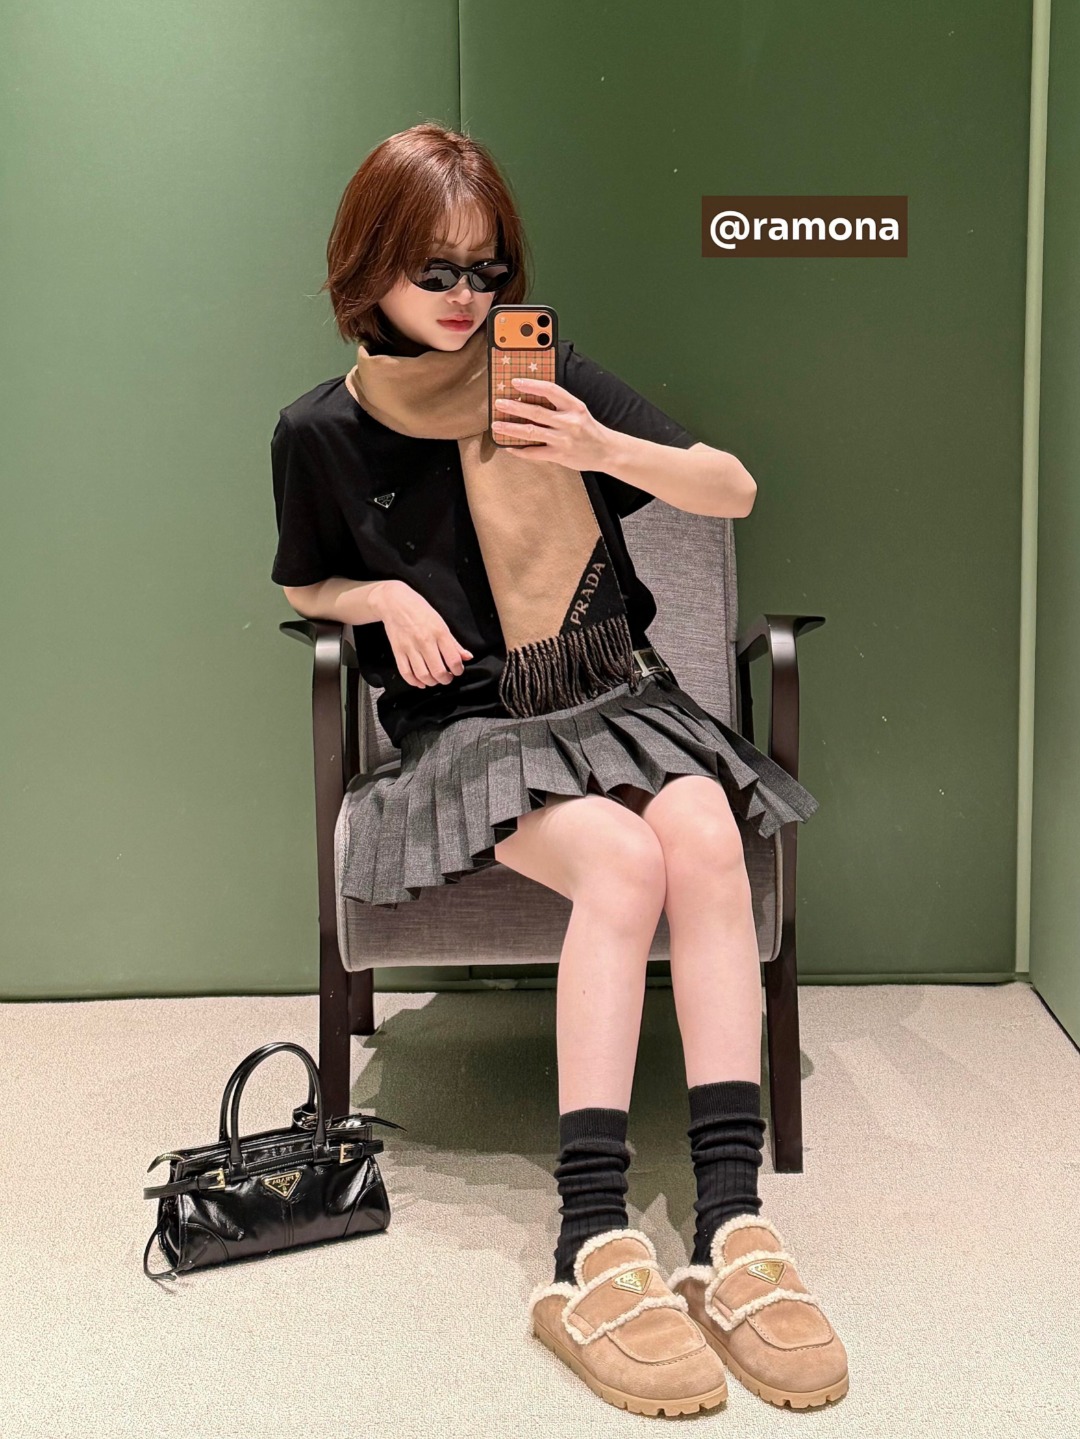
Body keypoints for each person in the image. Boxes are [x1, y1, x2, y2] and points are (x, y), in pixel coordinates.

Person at [270, 123, 848, 1416]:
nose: (467, 298)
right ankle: (590, 1237)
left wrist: (600, 451)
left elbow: (732, 488)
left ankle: (731, 1217)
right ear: (368, 269)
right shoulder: (319, 432)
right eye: (435, 271)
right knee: (624, 859)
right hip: (473, 729)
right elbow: (304, 580)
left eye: (489, 269)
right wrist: (376, 598)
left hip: (613, 691)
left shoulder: (546, 377)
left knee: (704, 836)